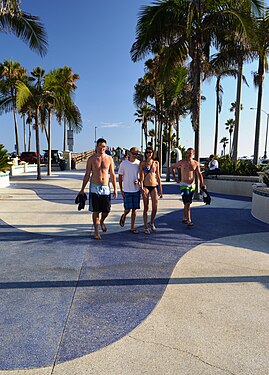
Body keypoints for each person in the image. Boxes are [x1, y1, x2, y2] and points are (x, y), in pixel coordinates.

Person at [79, 138, 117, 240]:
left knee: (106, 210)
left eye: (104, 146)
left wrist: (115, 189)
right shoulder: (91, 159)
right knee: (96, 211)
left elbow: (112, 175)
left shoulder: (109, 159)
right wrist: (82, 189)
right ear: (97, 147)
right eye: (100, 146)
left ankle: (102, 221)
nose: (102, 148)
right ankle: (96, 232)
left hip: (105, 187)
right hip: (94, 187)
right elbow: (87, 174)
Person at [171, 147, 206, 227]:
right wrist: (175, 178)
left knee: (188, 203)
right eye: (187, 153)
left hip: (192, 185)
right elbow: (172, 168)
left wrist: (202, 183)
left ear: (193, 154)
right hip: (183, 185)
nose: (189, 154)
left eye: (190, 153)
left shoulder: (196, 163)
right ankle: (189, 220)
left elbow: (199, 174)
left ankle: (184, 217)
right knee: (187, 202)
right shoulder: (182, 162)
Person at [140, 147, 163, 234]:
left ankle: (152, 222)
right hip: (145, 186)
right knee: (146, 207)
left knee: (155, 206)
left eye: (150, 152)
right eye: (147, 152)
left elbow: (158, 176)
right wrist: (141, 186)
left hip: (154, 186)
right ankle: (145, 226)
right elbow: (141, 175)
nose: (148, 154)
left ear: (153, 154)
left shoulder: (156, 163)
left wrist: (161, 189)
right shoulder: (143, 163)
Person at [118, 147, 141, 234]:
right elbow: (120, 176)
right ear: (129, 153)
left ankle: (132, 227)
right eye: (134, 153)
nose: (135, 155)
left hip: (136, 190)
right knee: (127, 209)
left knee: (134, 209)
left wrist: (138, 180)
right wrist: (121, 189)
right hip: (127, 189)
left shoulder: (139, 164)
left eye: (137, 153)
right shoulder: (124, 164)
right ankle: (124, 216)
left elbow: (141, 175)